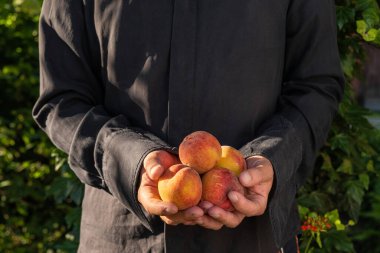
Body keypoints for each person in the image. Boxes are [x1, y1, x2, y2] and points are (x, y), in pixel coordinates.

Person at [33, 0, 344, 252]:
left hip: (253, 239)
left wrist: (273, 158)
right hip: (121, 238)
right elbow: (62, 100)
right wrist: (131, 163)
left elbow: (315, 85)